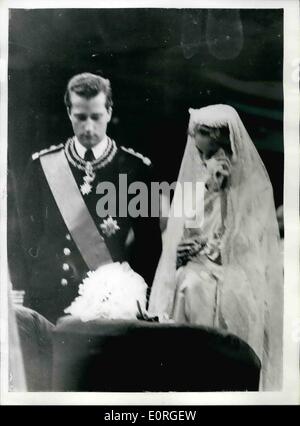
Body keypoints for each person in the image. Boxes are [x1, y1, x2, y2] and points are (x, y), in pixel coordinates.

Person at [148, 104, 283, 390]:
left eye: (212, 153)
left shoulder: (255, 188)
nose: (206, 161)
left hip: (236, 278)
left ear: (231, 148)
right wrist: (182, 250)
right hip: (196, 277)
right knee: (188, 283)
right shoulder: (195, 188)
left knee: (207, 290)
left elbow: (249, 247)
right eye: (201, 154)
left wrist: (225, 199)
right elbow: (182, 238)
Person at [19, 72, 162, 324]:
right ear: (68, 113)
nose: (88, 127)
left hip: (107, 307)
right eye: (80, 117)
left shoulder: (135, 169)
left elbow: (149, 248)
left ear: (108, 112)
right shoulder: (41, 166)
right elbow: (26, 240)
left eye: (95, 117)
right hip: (47, 300)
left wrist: (135, 299)